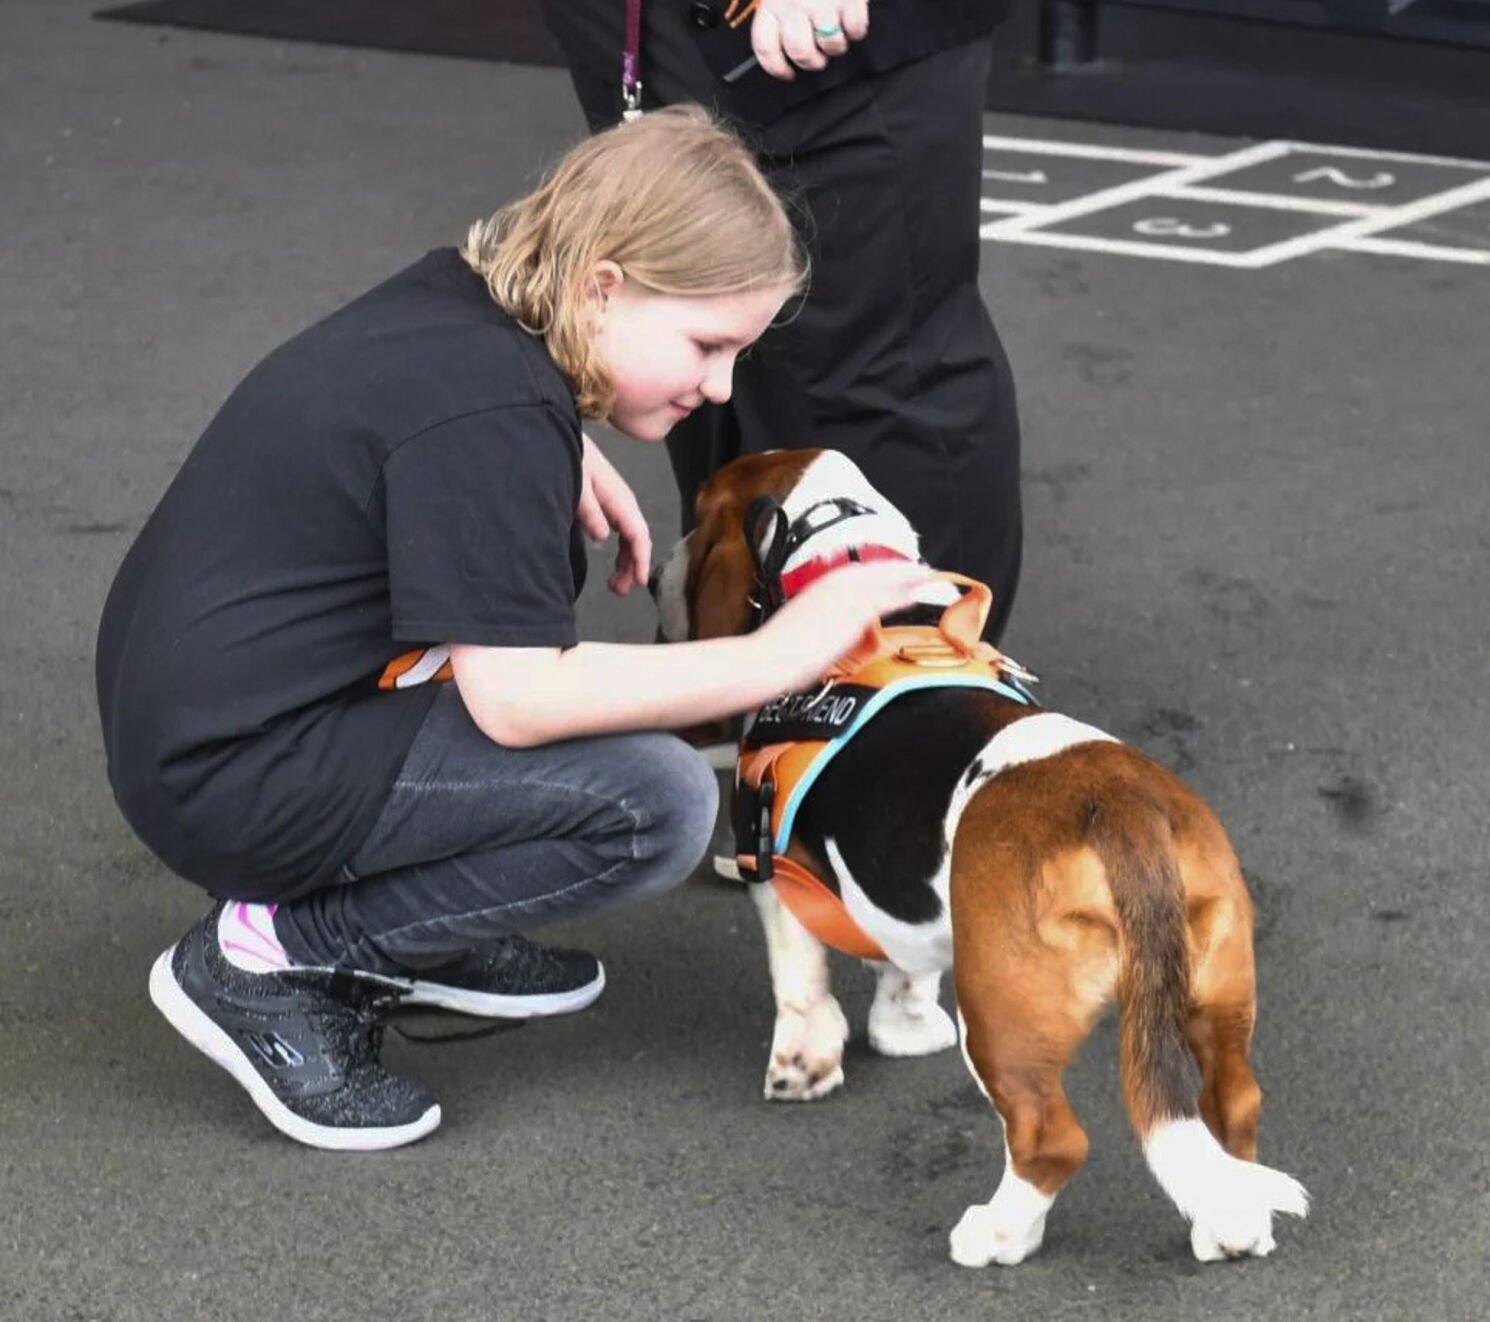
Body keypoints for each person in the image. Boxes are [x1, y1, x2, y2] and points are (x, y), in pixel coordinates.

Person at [95, 106, 931, 1152]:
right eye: (709, 344)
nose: (720, 385)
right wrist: (778, 650)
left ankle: (416, 927)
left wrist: (560, 443)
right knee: (657, 802)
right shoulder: (489, 417)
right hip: (233, 776)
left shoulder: (464, 306)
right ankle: (279, 956)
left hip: (200, 718)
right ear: (603, 285)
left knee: (552, 685)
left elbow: (417, 418)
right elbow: (520, 699)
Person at [544, 0, 1024, 640]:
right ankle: (739, 663)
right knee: (690, 339)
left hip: (824, 43)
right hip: (640, 30)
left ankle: (915, 672)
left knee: (869, 371)